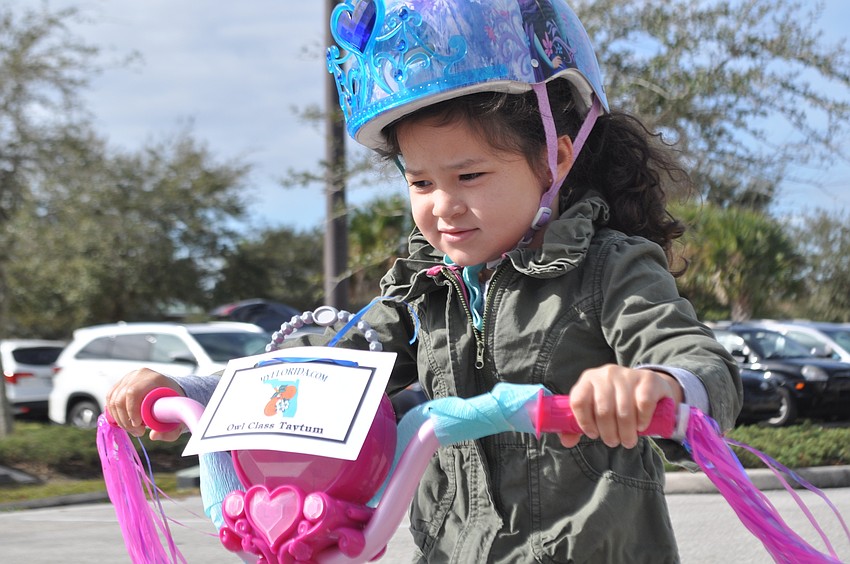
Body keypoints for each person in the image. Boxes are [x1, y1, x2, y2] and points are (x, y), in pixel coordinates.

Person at [107, 1, 742, 562]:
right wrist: (186, 387)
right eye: (420, 183)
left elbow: (699, 362)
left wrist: (653, 384)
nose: (443, 205)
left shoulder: (611, 267)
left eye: (469, 177)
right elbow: (321, 373)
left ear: (557, 157)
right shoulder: (422, 285)